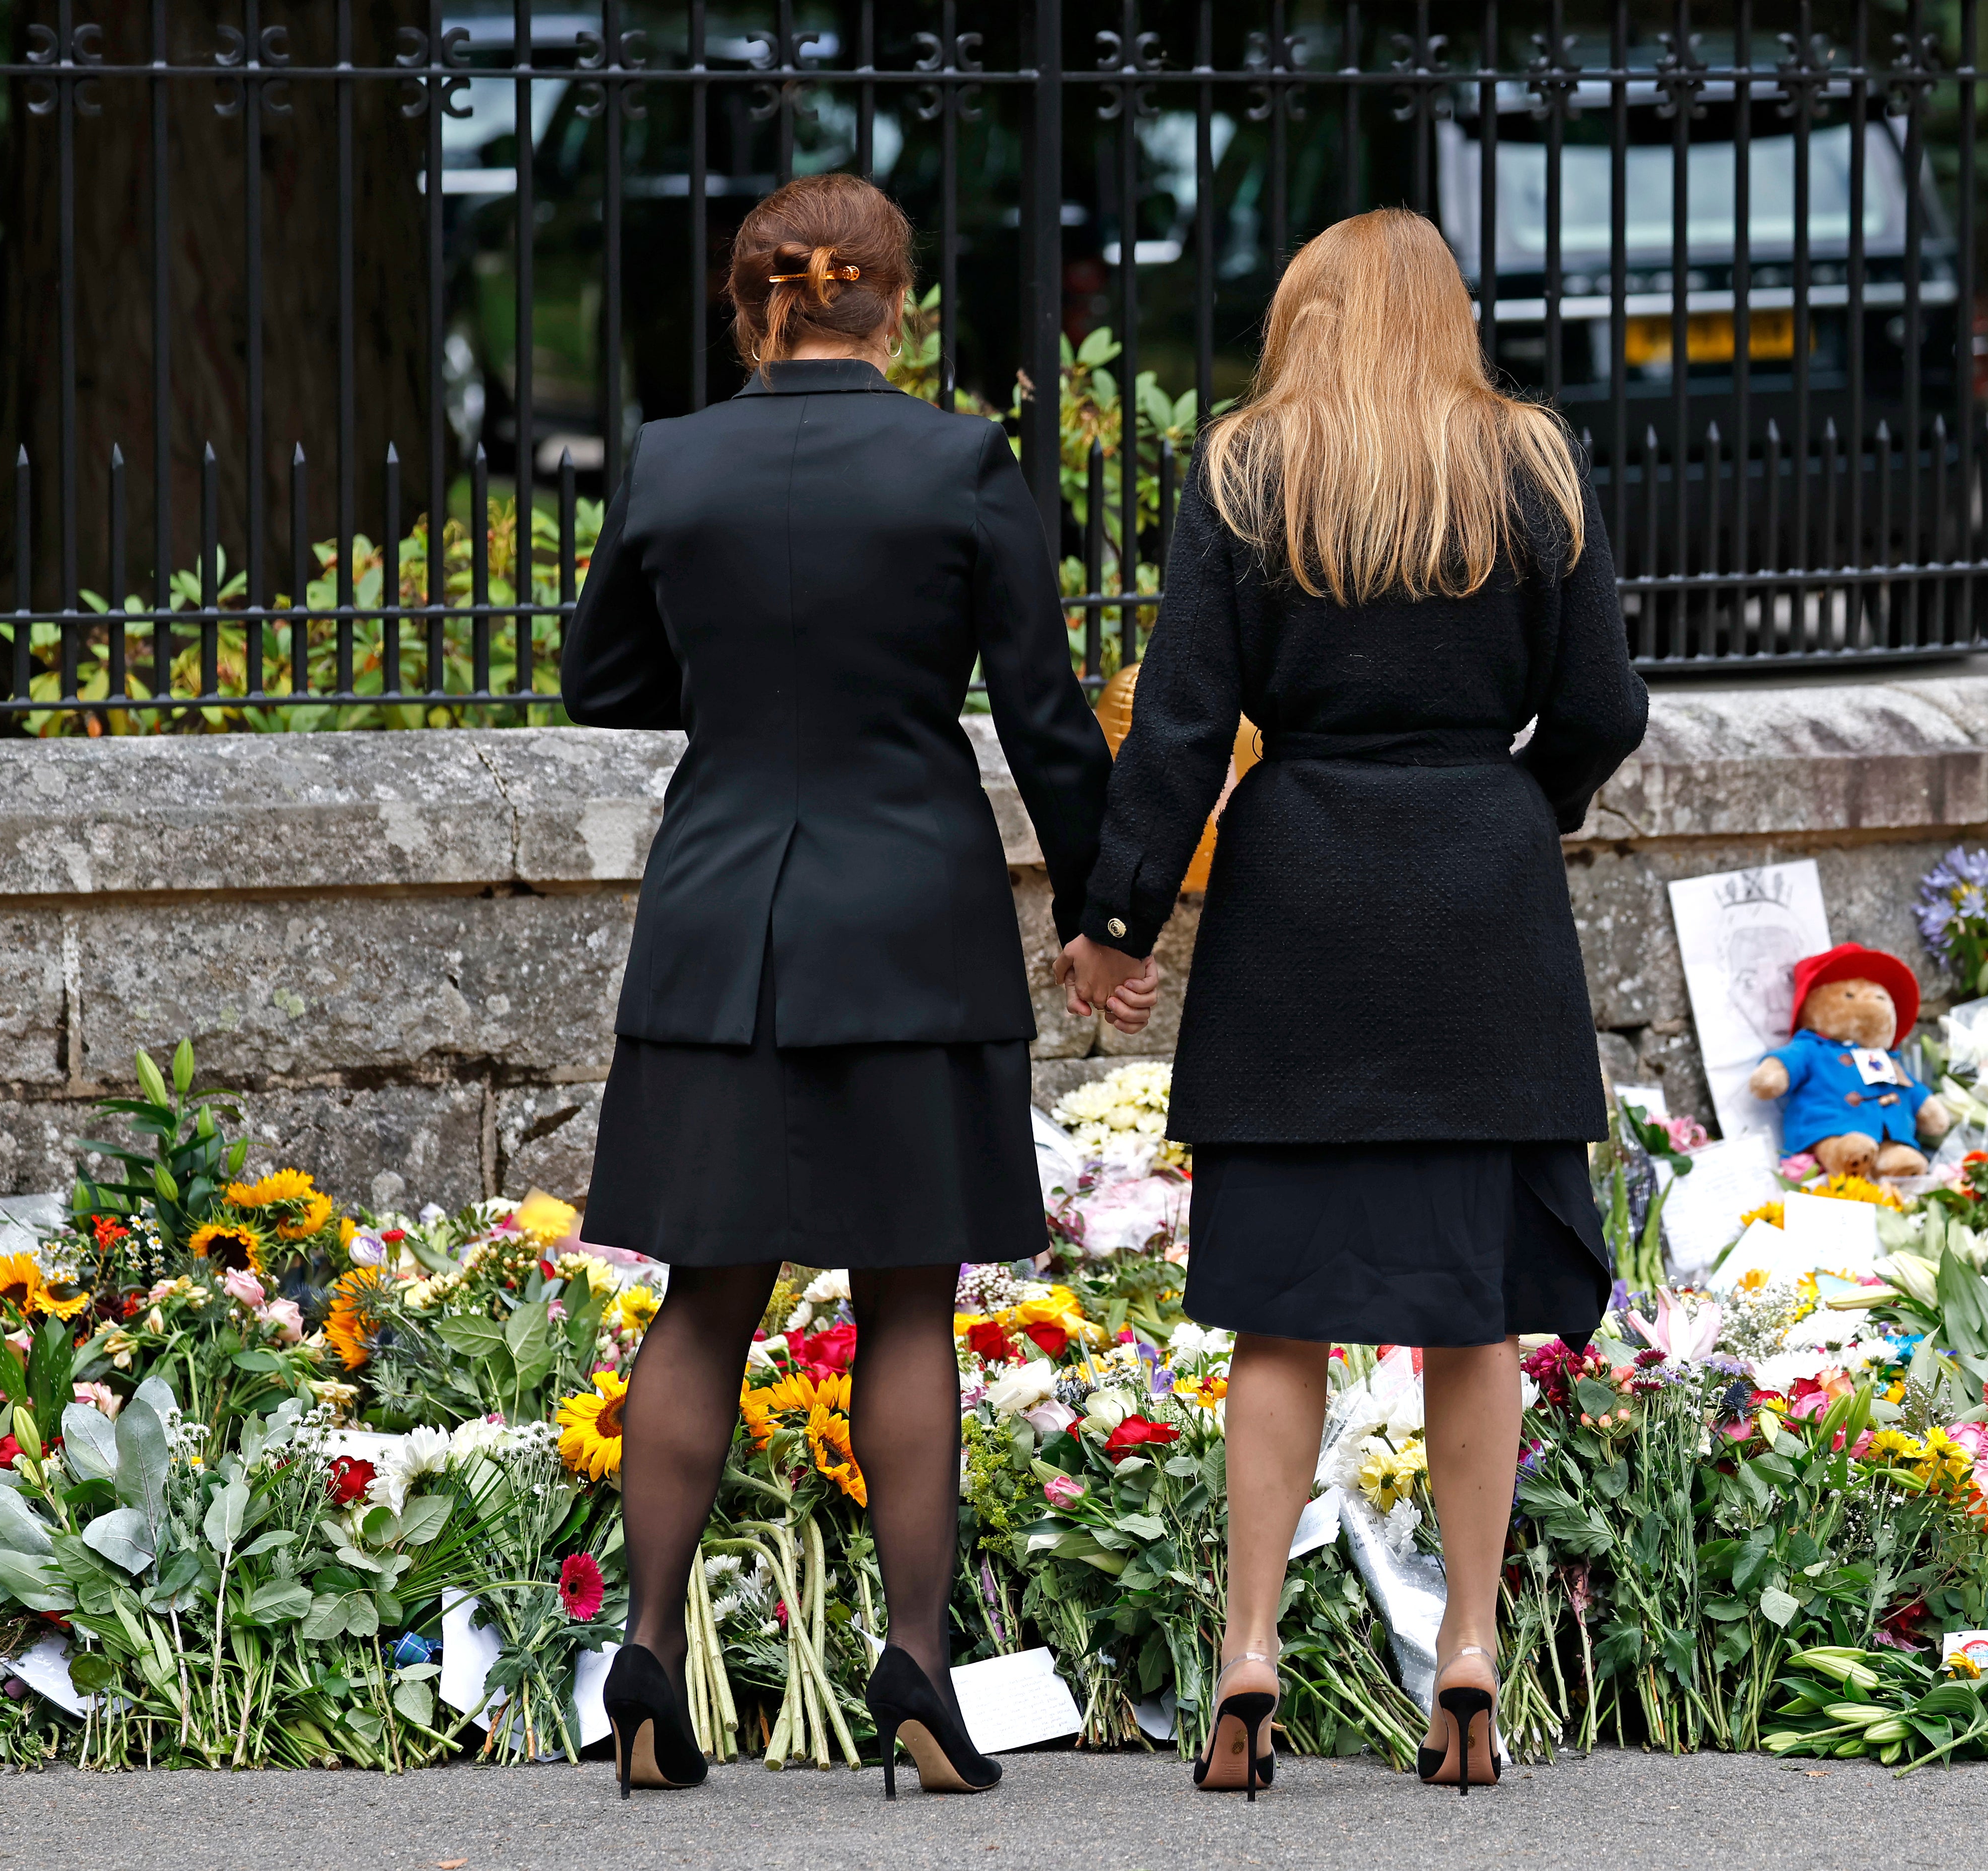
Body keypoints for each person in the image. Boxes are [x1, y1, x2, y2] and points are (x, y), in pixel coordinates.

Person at [560, 171, 1155, 1800]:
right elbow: (1043, 717)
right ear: (895, 304)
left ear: (752, 302)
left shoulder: (676, 461)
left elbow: (603, 679)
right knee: (908, 1296)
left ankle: (652, 1662)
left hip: (721, 921)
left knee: (706, 1292)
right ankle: (914, 1665)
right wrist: (1114, 914)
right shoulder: (961, 462)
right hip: (916, 923)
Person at [1083, 207, 1649, 1799]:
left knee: (1282, 1312)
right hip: (1482, 903)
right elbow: (1605, 703)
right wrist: (1512, 807)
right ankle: (1467, 1646)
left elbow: (1184, 723)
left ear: (1305, 317)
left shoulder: (1247, 471)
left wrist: (1118, 916)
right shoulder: (1529, 464)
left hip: (1300, 906)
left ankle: (1250, 1648)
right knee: (1471, 1315)